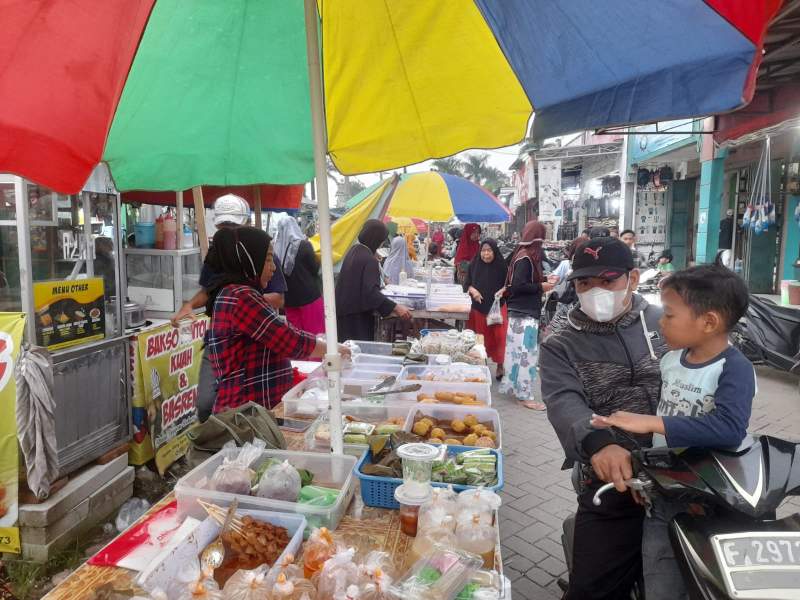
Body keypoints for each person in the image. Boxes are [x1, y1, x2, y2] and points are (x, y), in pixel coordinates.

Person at [591, 265, 754, 600]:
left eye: (668, 315)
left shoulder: (734, 368)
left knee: (706, 579)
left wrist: (652, 422)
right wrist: (644, 470)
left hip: (712, 495)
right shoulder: (671, 361)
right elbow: (663, 422)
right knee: (659, 571)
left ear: (708, 322)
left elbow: (729, 429)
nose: (660, 323)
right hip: (665, 488)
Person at [540, 237, 668, 600]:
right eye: (585, 283)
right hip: (613, 476)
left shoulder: (666, 322)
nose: (596, 291)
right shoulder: (560, 342)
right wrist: (600, 443)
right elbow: (564, 401)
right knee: (592, 589)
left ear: (633, 277)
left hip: (681, 467)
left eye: (608, 280)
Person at [170, 194, 286, 421]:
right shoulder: (218, 256)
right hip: (220, 341)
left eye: (231, 225)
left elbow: (279, 298)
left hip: (254, 343)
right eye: (223, 225)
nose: (226, 230)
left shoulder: (261, 253)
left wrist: (245, 308)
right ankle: (215, 444)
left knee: (247, 407)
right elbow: (208, 290)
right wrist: (189, 305)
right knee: (205, 405)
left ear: (243, 225)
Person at [205, 227, 347, 412]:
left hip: (253, 407)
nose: (273, 267)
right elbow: (287, 340)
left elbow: (280, 333)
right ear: (249, 259)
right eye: (268, 259)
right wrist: (332, 349)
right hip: (246, 412)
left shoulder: (237, 293)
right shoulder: (241, 297)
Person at [499, 221, 553, 409]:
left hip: (519, 312)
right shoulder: (526, 258)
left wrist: (544, 280)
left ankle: (515, 388)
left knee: (516, 352)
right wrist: (541, 286)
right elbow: (518, 286)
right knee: (526, 354)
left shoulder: (523, 255)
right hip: (525, 312)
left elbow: (519, 283)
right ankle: (524, 395)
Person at [335, 219, 412, 342]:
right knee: (356, 352)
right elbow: (371, 294)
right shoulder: (369, 260)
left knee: (345, 351)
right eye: (381, 241)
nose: (382, 244)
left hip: (343, 313)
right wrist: (396, 307)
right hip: (356, 318)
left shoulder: (354, 250)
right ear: (376, 240)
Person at [464, 239, 508, 379]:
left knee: (500, 337)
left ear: (494, 251)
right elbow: (467, 284)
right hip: (479, 307)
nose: (486, 254)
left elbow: (509, 285)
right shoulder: (474, 264)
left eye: (489, 251)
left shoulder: (502, 266)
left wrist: (503, 290)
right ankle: (482, 365)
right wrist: (474, 291)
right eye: (483, 250)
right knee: (480, 338)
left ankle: (500, 365)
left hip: (497, 306)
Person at [273, 215, 325, 335]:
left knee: (297, 339)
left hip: (289, 300)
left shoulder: (275, 250)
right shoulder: (304, 245)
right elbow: (314, 268)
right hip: (309, 298)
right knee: (316, 336)